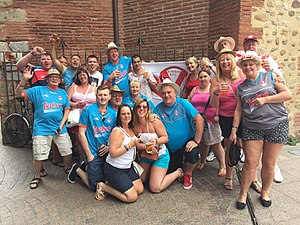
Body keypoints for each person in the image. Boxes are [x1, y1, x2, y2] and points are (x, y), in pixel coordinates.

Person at [229, 51, 292, 209]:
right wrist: (234, 129)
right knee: (250, 163)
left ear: (257, 66)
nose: (248, 67)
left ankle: (265, 191)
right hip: (252, 127)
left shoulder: (270, 77)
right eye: (245, 65)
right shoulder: (241, 87)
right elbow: (238, 110)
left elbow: (287, 94)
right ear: (241, 68)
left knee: (269, 163)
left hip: (276, 124)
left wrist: (265, 99)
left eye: (251, 64)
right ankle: (243, 194)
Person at [16, 68, 72, 189]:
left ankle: (68, 169)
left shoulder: (63, 93)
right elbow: (19, 93)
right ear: (47, 79)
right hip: (41, 129)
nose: (55, 78)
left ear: (60, 80)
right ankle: (37, 176)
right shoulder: (38, 90)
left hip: (59, 129)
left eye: (57, 77)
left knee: (67, 151)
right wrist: (25, 79)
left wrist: (61, 125)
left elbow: (67, 110)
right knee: (38, 155)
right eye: (52, 76)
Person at [239, 35, 284, 183]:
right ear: (244, 46)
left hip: (272, 115)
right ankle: (254, 180)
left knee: (269, 158)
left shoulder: (268, 61)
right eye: (248, 44)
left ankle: (273, 167)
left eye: (253, 44)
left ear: (257, 46)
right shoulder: (238, 59)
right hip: (249, 112)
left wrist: (275, 76)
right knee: (251, 160)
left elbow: (281, 82)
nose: (251, 46)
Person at [153, 78, 204, 189]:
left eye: (169, 92)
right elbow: (151, 121)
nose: (166, 95)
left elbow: (199, 119)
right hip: (170, 147)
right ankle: (179, 169)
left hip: (187, 143)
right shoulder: (158, 108)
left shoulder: (183, 103)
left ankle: (188, 173)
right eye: (164, 93)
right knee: (172, 170)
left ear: (175, 93)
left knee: (193, 153)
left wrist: (196, 141)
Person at [67, 85, 116, 193]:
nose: (102, 97)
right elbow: (81, 133)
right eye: (100, 95)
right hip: (93, 152)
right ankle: (78, 170)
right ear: (96, 96)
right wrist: (89, 154)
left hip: (107, 152)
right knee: (94, 187)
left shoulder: (113, 113)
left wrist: (109, 147)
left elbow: (115, 134)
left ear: (109, 97)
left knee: (106, 179)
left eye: (105, 95)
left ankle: (87, 167)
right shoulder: (88, 111)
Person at [210, 47, 244, 190]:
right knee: (229, 146)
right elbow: (212, 104)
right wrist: (217, 92)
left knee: (248, 147)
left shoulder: (241, 75)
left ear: (233, 61)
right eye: (222, 60)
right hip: (226, 116)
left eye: (228, 59)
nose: (225, 62)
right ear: (218, 63)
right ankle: (229, 176)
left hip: (244, 115)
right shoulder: (216, 80)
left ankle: (252, 178)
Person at [132, 98, 183, 193]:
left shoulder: (154, 121)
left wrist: (155, 141)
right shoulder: (134, 125)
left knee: (155, 188)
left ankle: (178, 172)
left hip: (160, 156)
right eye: (139, 107)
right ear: (135, 109)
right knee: (140, 180)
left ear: (148, 109)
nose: (141, 109)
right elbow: (134, 144)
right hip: (146, 156)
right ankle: (151, 172)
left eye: (144, 107)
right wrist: (145, 147)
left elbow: (165, 138)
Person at [95, 104, 144, 202]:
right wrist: (129, 145)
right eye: (123, 114)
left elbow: (135, 144)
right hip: (115, 169)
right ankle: (103, 187)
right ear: (119, 116)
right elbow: (113, 153)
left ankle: (114, 183)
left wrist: (146, 146)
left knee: (140, 189)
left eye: (128, 114)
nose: (126, 116)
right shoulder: (117, 131)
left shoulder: (131, 128)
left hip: (127, 167)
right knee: (132, 197)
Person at [188, 71, 226, 177]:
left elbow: (220, 102)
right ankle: (202, 161)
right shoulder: (195, 89)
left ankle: (222, 165)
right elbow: (189, 102)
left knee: (216, 144)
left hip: (211, 121)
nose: (203, 79)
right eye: (200, 77)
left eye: (205, 76)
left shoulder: (213, 88)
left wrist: (218, 115)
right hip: (197, 122)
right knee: (202, 143)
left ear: (210, 77)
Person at [67, 68, 96, 162]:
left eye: (84, 74)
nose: (82, 76)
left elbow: (97, 102)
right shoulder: (73, 86)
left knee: (89, 137)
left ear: (88, 76)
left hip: (90, 116)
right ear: (77, 77)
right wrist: (75, 105)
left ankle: (90, 157)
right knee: (79, 138)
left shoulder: (94, 88)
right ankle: (83, 159)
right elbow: (66, 101)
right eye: (80, 75)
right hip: (77, 116)